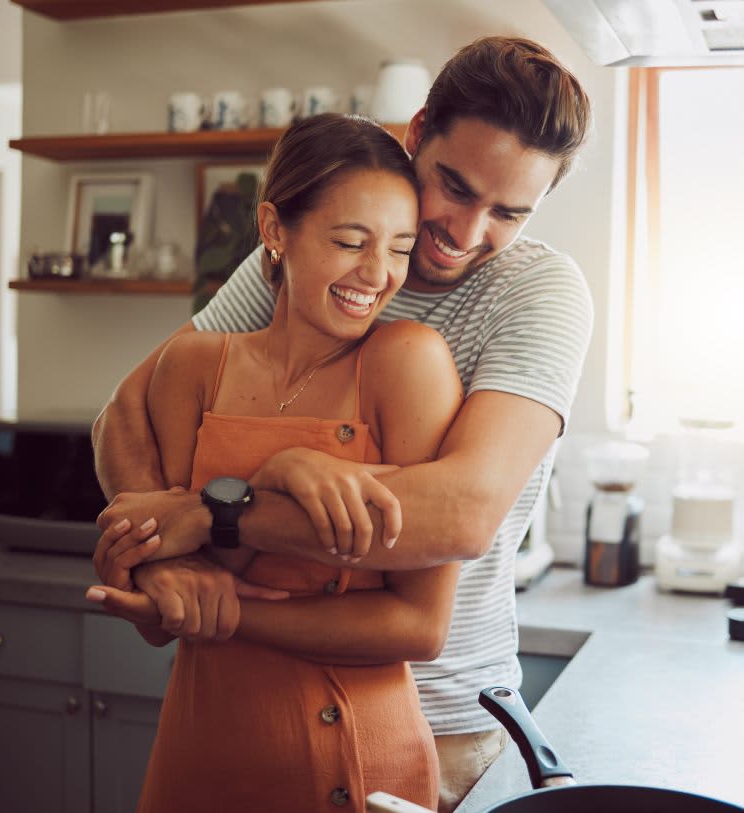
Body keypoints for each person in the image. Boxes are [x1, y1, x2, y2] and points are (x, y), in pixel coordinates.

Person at [90, 36, 594, 813]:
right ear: (417, 132)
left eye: (507, 213)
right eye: (454, 188)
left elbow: (459, 511)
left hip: (446, 722)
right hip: (251, 697)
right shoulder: (324, 251)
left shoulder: (537, 294)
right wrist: (162, 566)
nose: (464, 230)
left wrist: (215, 513)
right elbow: (127, 413)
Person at [90, 113, 464, 812]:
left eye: (399, 248)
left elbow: (419, 626)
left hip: (356, 757)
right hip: (201, 749)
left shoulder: (406, 362)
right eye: (350, 240)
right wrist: (163, 565)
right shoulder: (193, 366)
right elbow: (161, 616)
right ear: (274, 230)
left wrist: (227, 612)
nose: (376, 273)